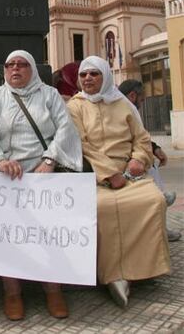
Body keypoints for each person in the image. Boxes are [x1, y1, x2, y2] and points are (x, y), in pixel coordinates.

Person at [0, 50, 83, 321]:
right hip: (8, 177)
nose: (15, 69)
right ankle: (12, 292)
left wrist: (49, 160)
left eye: (22, 64)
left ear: (32, 69)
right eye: (10, 64)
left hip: (43, 174)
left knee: (50, 231)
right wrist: (0, 162)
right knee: (6, 232)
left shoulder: (49, 95)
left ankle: (53, 289)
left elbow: (65, 129)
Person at [67, 56, 171, 307]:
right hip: (95, 174)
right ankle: (112, 274)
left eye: (94, 74)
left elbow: (142, 138)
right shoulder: (75, 106)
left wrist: (138, 160)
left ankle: (142, 269)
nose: (88, 79)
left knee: (152, 201)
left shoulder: (123, 104)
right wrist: (108, 173)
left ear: (106, 76)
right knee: (102, 208)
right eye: (83, 75)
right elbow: (81, 145)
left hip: (130, 172)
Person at [118, 79, 181, 242]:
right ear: (133, 95)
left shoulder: (125, 106)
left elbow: (140, 136)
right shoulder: (123, 107)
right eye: (142, 99)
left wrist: (154, 148)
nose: (142, 102)